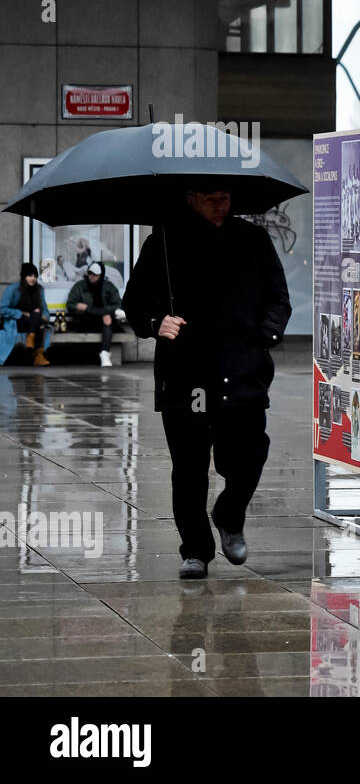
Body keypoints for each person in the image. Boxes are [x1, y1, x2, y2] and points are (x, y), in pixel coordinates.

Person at [123, 184, 291, 580]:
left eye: (226, 197)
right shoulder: (163, 242)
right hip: (186, 375)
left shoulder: (253, 239)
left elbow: (278, 298)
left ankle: (229, 514)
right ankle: (196, 549)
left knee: (249, 454)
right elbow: (134, 302)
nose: (221, 204)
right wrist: (155, 323)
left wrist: (265, 335)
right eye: (211, 197)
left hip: (242, 370)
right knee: (190, 467)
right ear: (190, 198)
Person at [67, 261, 126, 367]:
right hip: (85, 320)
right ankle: (103, 353)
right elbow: (71, 304)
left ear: (101, 275)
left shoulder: (108, 286)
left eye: (95, 274)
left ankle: (104, 353)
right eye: (90, 273)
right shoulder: (80, 286)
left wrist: (96, 310)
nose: (91, 276)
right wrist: (79, 307)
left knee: (107, 319)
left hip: (103, 321)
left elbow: (118, 304)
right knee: (107, 317)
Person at [0, 263, 52, 366]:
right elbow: (2, 308)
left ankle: (31, 339)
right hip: (17, 322)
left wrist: (45, 316)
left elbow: (44, 308)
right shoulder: (13, 289)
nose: (33, 279)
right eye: (30, 276)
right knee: (39, 323)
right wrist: (20, 313)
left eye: (35, 276)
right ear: (24, 277)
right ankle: (38, 356)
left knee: (38, 315)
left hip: (33, 321)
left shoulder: (39, 289)